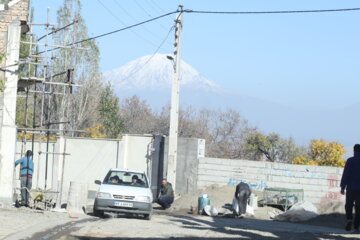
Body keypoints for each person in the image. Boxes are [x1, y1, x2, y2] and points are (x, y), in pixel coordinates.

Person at [340, 144, 360, 232]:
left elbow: (346, 174)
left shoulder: (350, 161)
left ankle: (349, 219)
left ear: (354, 151)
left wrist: (342, 187)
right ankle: (356, 226)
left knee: (349, 205)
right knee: (359, 208)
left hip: (351, 188)